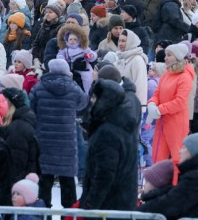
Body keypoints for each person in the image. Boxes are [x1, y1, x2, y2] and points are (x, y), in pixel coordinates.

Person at [29, 58, 87, 207]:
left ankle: (43, 215)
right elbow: (83, 103)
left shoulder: (40, 87)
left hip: (44, 140)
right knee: (67, 182)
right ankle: (68, 215)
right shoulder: (73, 87)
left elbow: (31, 107)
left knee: (45, 182)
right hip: (66, 142)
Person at [79, 79, 139, 212]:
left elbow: (104, 173)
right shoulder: (120, 125)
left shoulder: (107, 132)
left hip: (107, 207)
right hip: (119, 204)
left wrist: (90, 204)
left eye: (95, 97)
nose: (92, 101)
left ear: (104, 100)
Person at [137, 131, 198, 218]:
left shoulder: (197, 179)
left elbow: (170, 204)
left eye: (184, 148)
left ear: (193, 151)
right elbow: (172, 192)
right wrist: (146, 196)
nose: (180, 151)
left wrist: (136, 212)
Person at [147, 43, 193, 165]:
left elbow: (180, 102)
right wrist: (152, 103)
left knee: (177, 159)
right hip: (162, 121)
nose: (165, 58)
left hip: (176, 123)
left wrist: (160, 109)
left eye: (169, 55)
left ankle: (176, 183)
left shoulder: (184, 77)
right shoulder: (167, 74)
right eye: (166, 55)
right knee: (158, 157)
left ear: (177, 57)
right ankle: (158, 183)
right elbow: (157, 93)